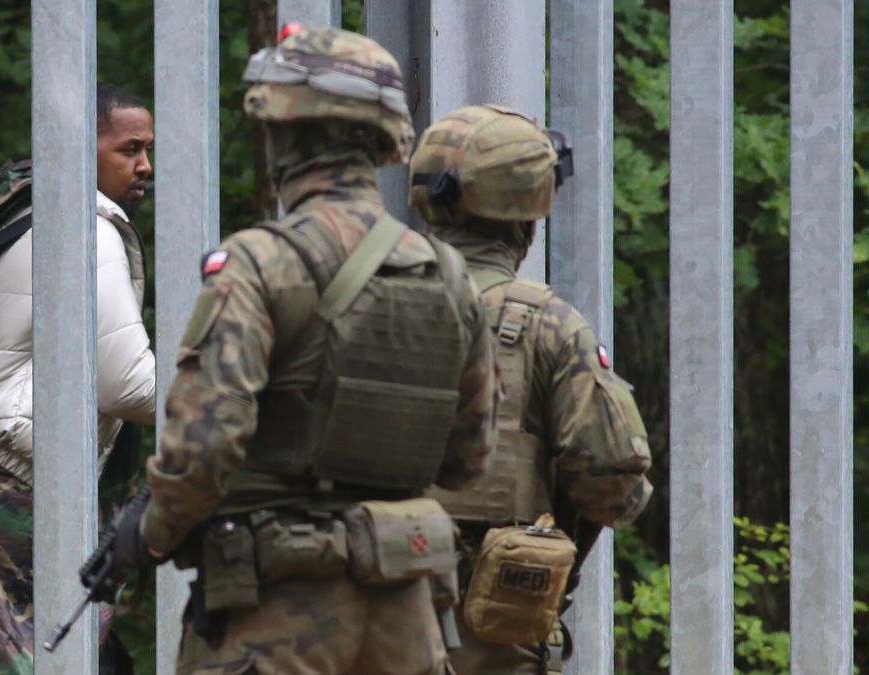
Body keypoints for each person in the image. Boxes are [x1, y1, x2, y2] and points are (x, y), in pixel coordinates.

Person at [108, 25, 498, 674]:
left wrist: (150, 536)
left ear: (284, 136)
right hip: (406, 624)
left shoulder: (261, 264)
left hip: (274, 617)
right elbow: (467, 460)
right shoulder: (448, 275)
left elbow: (205, 444)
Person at [409, 104, 653, 675]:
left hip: (353, 627)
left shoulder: (353, 304)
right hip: (488, 638)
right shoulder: (548, 326)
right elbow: (615, 490)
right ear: (530, 210)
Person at [0, 83, 156, 674]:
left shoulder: (24, 213)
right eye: (129, 149)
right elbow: (127, 384)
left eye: (148, 149)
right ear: (81, 148)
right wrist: (219, 400)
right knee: (44, 658)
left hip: (3, 467)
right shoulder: (87, 230)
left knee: (17, 652)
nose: (145, 166)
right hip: (28, 476)